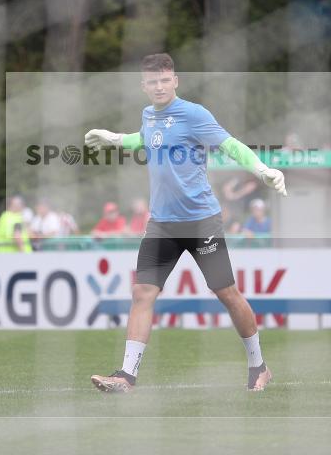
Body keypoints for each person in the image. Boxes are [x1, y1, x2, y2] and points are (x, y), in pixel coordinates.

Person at [85, 53, 286, 393]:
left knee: (227, 294)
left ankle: (259, 366)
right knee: (142, 293)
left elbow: (230, 145)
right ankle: (126, 376)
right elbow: (146, 139)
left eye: (165, 79)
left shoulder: (194, 114)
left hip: (200, 222)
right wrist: (115, 139)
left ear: (175, 81)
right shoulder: (149, 115)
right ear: (144, 86)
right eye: (153, 81)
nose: (159, 86)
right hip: (161, 224)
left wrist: (262, 169)